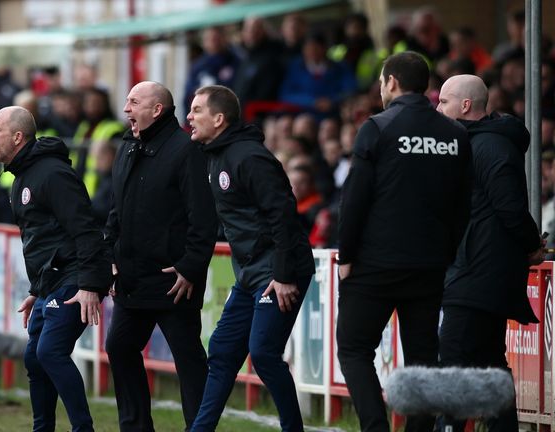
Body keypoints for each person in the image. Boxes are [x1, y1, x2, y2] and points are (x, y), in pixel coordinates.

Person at [336, 52, 472, 432]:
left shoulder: (377, 127)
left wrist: (346, 255)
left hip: (374, 264)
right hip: (428, 266)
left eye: (381, 81)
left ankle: (376, 427)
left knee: (353, 348)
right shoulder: (455, 134)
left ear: (392, 82)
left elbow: (354, 199)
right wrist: (446, 252)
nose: (380, 88)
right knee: (423, 359)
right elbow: (463, 205)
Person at [187, 85, 315, 432]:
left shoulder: (249, 157)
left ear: (219, 118)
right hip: (250, 274)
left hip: (279, 270)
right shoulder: (213, 155)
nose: (189, 116)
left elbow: (284, 214)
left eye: (197, 110)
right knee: (223, 350)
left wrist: (284, 273)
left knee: (262, 353)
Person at [0, 106, 111, 432]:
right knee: (34, 358)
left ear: (17, 136)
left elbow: (85, 230)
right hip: (50, 283)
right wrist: (36, 291)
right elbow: (43, 240)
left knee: (50, 352)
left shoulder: (53, 174)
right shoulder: (21, 178)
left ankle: (83, 429)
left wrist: (89, 284)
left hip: (74, 277)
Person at [104, 81, 217, 431]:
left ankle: (198, 428)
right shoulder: (126, 148)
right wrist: (110, 253)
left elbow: (204, 217)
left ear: (157, 110)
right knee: (120, 347)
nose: (126, 109)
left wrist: (190, 267)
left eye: (134, 102)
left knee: (188, 360)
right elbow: (116, 210)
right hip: (132, 277)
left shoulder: (186, 150)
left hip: (173, 281)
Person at [436, 74, 545, 431]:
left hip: (477, 277)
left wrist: (531, 246)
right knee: (488, 367)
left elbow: (511, 209)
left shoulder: (490, 148)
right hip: (476, 273)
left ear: (466, 106)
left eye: (444, 102)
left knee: (453, 359)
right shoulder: (473, 145)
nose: (438, 108)